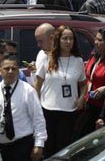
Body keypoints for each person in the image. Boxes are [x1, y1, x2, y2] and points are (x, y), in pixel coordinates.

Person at [34, 25, 87, 156]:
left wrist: (82, 98)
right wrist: (35, 106)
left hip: (69, 112)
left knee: (63, 150)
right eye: (65, 38)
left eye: (71, 39)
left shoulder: (78, 61)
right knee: (48, 149)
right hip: (48, 110)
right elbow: (37, 84)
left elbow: (84, 84)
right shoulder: (47, 58)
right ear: (58, 40)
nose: (68, 42)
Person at [0, 54, 46, 161]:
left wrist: (39, 144)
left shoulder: (28, 90)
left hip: (22, 146)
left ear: (18, 71)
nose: (10, 71)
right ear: (0, 71)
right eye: (6, 68)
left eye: (13, 68)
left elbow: (38, 118)